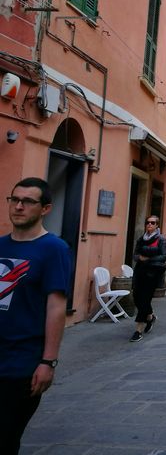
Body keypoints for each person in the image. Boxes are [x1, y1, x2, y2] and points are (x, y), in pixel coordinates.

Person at [0, 178, 72, 455]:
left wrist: (48, 361)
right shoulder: (2, 245)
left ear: (45, 209)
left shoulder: (54, 249)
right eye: (14, 199)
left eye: (28, 201)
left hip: (22, 362)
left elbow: (56, 307)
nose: (18, 206)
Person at [129, 215, 166, 342]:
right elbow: (135, 255)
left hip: (153, 273)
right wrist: (139, 258)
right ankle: (150, 317)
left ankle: (138, 330)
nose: (149, 225)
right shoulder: (141, 239)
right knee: (137, 298)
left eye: (152, 223)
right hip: (140, 271)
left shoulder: (161, 239)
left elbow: (164, 256)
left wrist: (149, 259)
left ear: (157, 225)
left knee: (145, 299)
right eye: (148, 222)